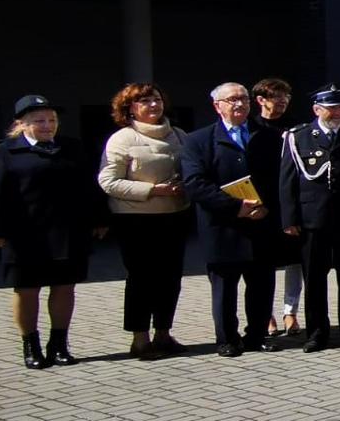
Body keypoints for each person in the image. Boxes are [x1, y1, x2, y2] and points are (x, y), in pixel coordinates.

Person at [0, 95, 107, 369]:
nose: (48, 125)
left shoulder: (72, 148)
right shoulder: (2, 151)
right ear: (21, 124)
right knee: (27, 290)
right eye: (40, 121)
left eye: (52, 120)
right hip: (25, 235)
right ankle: (31, 345)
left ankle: (59, 345)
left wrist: (99, 218)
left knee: (64, 287)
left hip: (68, 232)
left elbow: (89, 186)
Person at [181, 82, 286, 357]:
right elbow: (194, 183)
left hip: (261, 224)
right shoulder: (197, 140)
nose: (239, 104)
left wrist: (268, 208)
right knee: (225, 289)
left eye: (243, 99)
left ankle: (258, 335)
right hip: (222, 227)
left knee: (262, 286)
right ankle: (227, 338)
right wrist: (235, 207)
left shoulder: (269, 136)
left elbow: (281, 179)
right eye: (232, 100)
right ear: (218, 106)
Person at [278, 85, 340, 352]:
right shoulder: (298, 137)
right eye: (331, 108)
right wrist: (290, 218)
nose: (337, 113)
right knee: (314, 280)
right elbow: (287, 181)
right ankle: (316, 334)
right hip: (313, 221)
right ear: (317, 110)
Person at [97, 83, 191, 360]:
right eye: (145, 101)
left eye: (157, 100)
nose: (153, 105)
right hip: (135, 219)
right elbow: (107, 180)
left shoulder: (180, 136)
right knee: (141, 279)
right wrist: (152, 190)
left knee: (170, 278)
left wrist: (185, 185)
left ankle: (163, 333)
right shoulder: (122, 139)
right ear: (130, 108)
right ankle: (140, 338)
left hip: (174, 215)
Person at [252, 78, 300, 338]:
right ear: (261, 100)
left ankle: (290, 312)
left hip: (290, 204)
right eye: (276, 97)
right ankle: (266, 314)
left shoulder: (296, 127)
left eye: (285, 97)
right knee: (264, 264)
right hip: (261, 205)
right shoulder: (251, 128)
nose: (282, 102)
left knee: (295, 261)